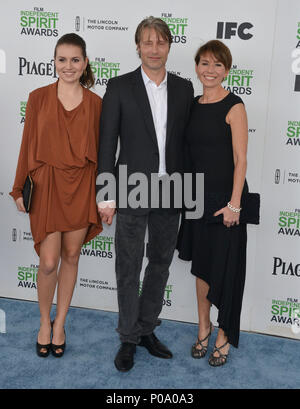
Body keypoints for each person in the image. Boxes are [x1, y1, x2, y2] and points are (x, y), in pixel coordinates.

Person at [97, 16, 194, 372]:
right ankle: (127, 336)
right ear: (137, 46)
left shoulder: (185, 89)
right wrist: (106, 197)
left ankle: (147, 328)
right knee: (128, 264)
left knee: (160, 264)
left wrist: (192, 192)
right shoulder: (119, 86)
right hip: (132, 189)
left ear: (170, 45)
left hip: (172, 189)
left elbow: (187, 144)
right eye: (147, 42)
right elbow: (107, 144)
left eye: (161, 42)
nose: (154, 49)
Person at [10, 33, 102, 358]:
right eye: (61, 59)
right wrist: (19, 186)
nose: (68, 66)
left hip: (81, 186)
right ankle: (43, 322)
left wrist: (104, 196)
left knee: (72, 256)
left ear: (85, 63)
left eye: (75, 60)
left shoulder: (96, 104)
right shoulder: (38, 98)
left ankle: (59, 323)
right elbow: (27, 144)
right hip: (47, 184)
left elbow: (104, 156)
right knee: (49, 262)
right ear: (53, 62)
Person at [177, 40, 249, 366]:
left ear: (227, 70)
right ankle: (203, 327)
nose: (210, 70)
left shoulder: (235, 106)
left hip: (226, 200)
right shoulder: (191, 105)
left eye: (217, 65)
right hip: (196, 198)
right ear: (196, 66)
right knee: (202, 270)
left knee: (227, 269)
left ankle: (223, 334)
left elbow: (241, 159)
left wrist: (235, 204)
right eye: (204, 63)